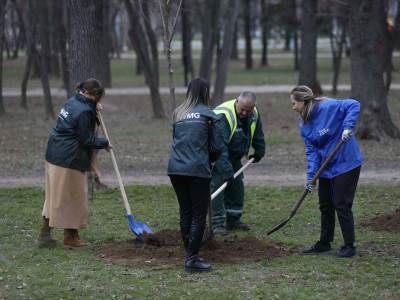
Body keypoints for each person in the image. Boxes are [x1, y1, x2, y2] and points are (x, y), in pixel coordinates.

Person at [290, 85, 363, 258]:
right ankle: (324, 242)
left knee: (341, 204)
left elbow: (354, 105)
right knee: (325, 204)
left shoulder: (328, 106)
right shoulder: (305, 126)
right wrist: (311, 178)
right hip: (326, 167)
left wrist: (347, 127)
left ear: (302, 101)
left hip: (346, 163)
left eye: (294, 103)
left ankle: (349, 246)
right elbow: (312, 153)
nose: (293, 107)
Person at [37, 78, 110, 248]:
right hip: (69, 159)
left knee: (54, 197)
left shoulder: (73, 100)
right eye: (99, 99)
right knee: (74, 198)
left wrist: (93, 106)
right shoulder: (84, 110)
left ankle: (44, 235)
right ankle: (71, 237)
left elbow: (80, 116)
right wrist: (104, 143)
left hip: (55, 155)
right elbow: (86, 140)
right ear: (94, 95)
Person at [167, 78, 223, 273]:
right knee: (199, 213)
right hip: (197, 169)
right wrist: (211, 159)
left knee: (186, 210)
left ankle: (189, 250)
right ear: (206, 93)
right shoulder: (210, 115)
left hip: (175, 168)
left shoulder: (178, 113)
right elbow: (217, 147)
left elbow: (176, 139)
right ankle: (192, 258)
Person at [211, 91, 266, 235]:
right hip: (216, 156)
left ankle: (233, 220)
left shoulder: (253, 113)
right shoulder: (223, 116)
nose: (244, 113)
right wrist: (226, 170)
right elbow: (218, 147)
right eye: (242, 109)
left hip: (234, 157)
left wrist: (260, 149)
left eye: (248, 110)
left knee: (236, 186)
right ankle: (216, 223)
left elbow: (257, 131)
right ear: (237, 101)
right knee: (218, 186)